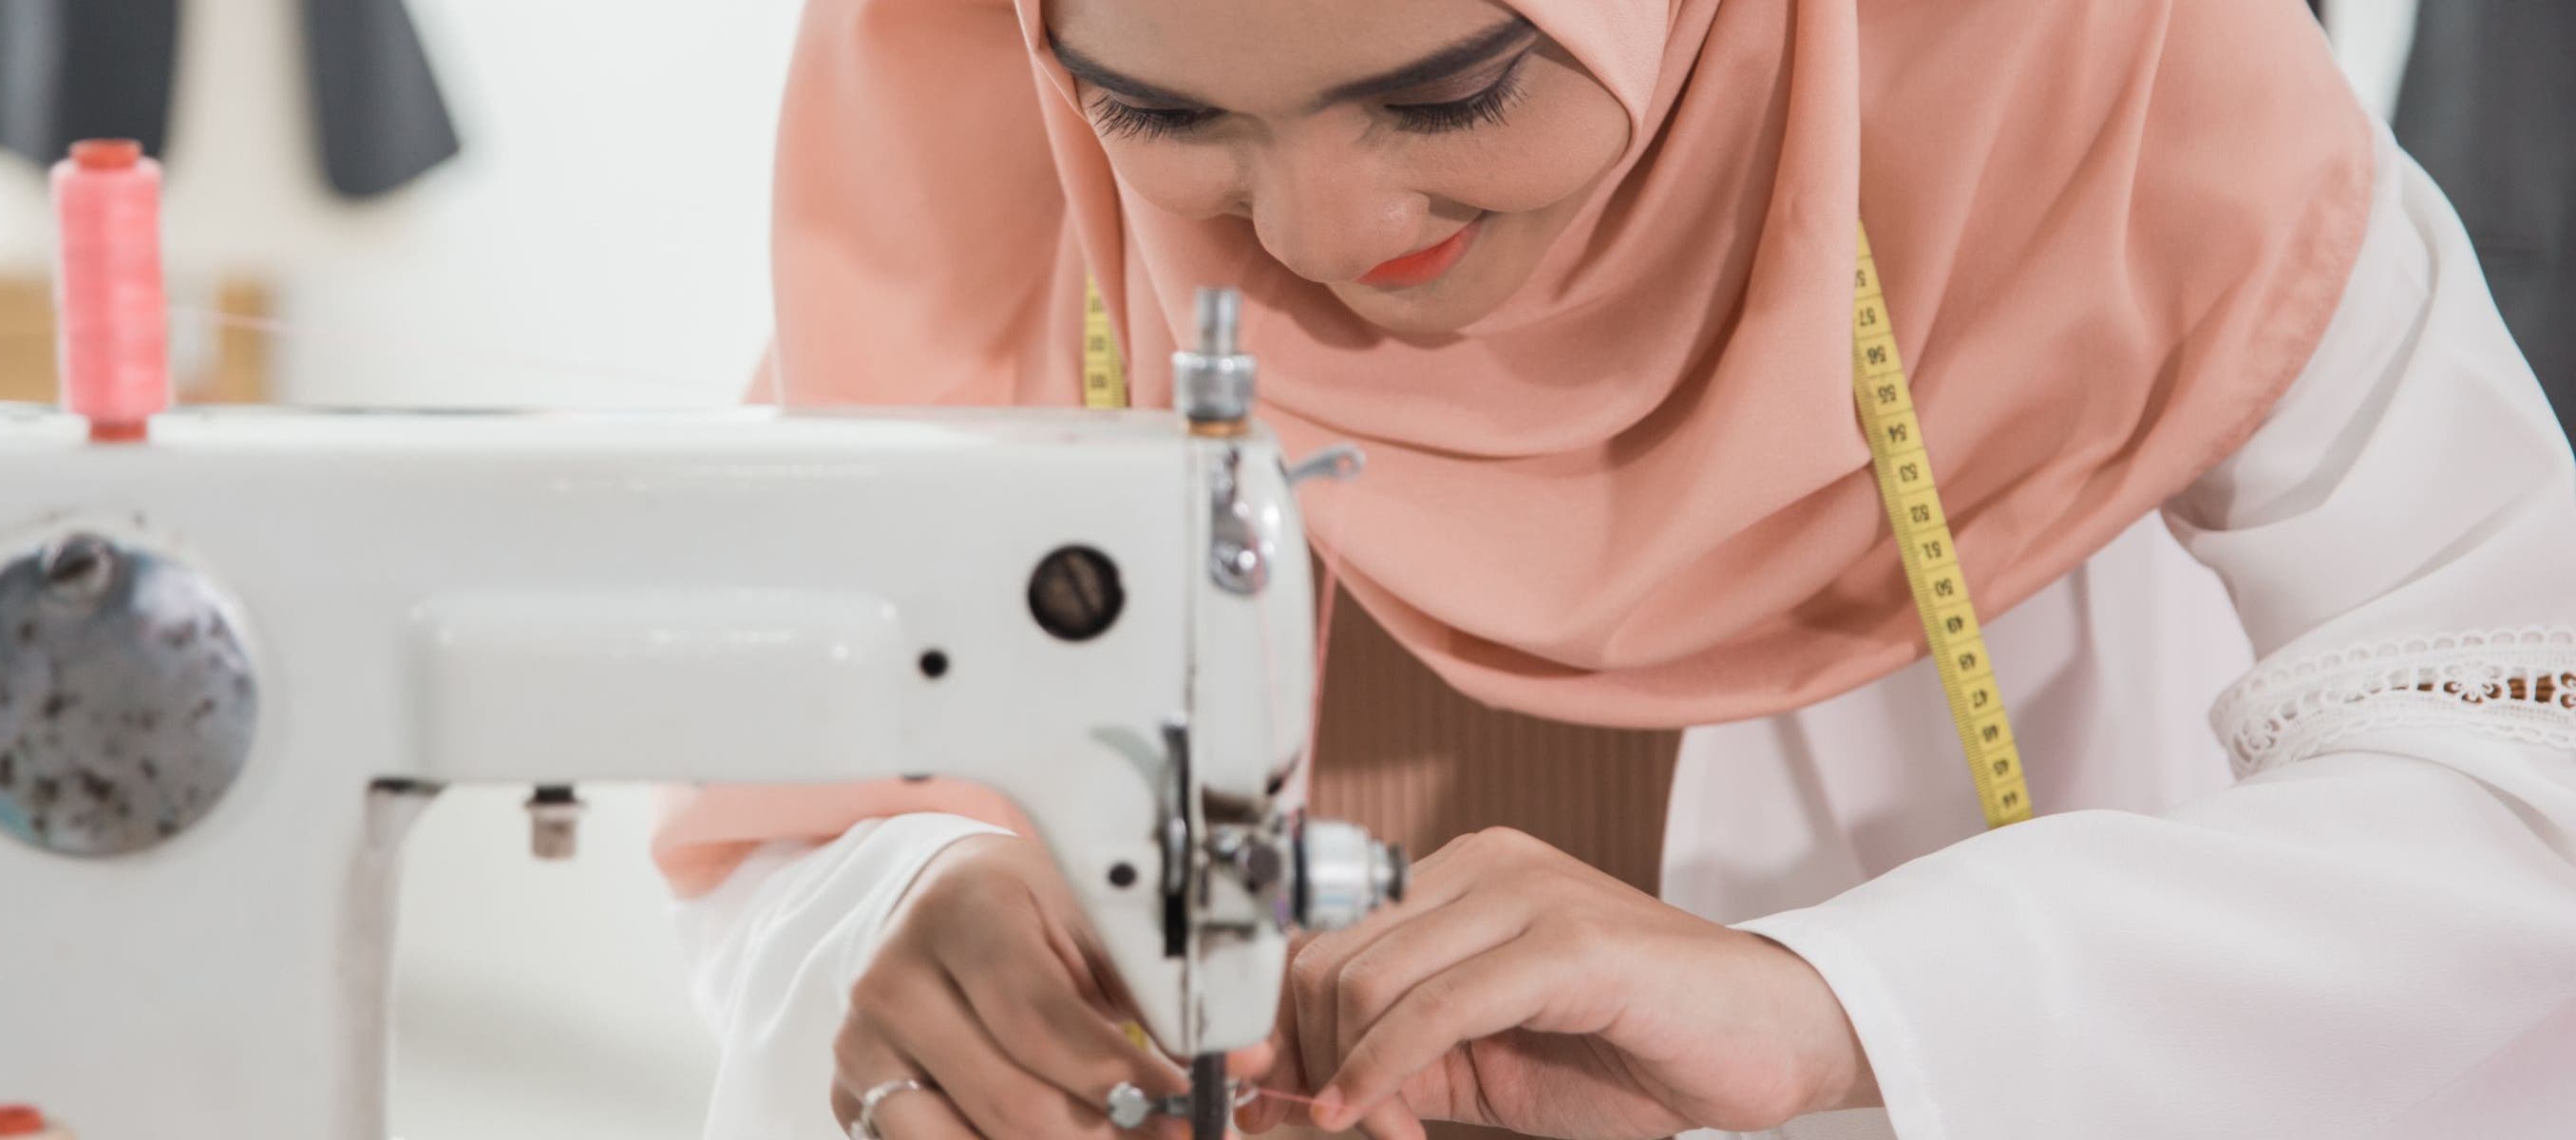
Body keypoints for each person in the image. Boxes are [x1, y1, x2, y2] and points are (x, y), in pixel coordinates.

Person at [655, 1, 2576, 1137]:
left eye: (1453, 87)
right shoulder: (953, 99)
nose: (1322, 230)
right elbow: (785, 796)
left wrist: (1840, 1003)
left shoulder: (2084, 71)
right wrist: (901, 906)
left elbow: (2527, 776)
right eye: (1162, 112)